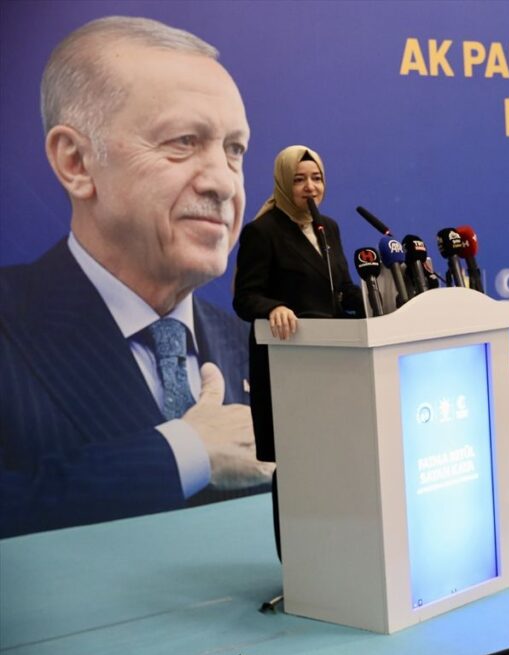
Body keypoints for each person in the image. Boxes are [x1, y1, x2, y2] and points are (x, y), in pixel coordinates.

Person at [0, 16, 274, 538]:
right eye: (184, 141)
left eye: (234, 149)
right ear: (77, 162)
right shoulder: (11, 324)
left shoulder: (257, 348)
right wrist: (182, 454)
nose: (223, 182)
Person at [233, 145, 364, 557]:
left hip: (332, 365)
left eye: (317, 178)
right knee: (295, 462)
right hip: (288, 366)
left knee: (333, 458)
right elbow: (245, 297)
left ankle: (334, 552)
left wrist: (376, 298)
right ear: (283, 183)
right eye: (300, 179)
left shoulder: (329, 228)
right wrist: (274, 307)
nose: (310, 187)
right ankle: (296, 559)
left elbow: (341, 289)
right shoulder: (263, 232)